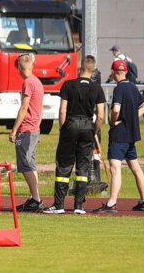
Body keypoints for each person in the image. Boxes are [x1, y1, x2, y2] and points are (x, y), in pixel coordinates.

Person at [43, 56, 105, 215]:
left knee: (64, 165)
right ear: (93, 70)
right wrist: (94, 130)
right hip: (87, 126)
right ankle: (79, 206)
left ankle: (59, 205)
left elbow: (62, 110)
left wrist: (63, 128)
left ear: (80, 68)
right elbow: (100, 116)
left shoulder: (68, 84)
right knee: (83, 166)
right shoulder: (97, 88)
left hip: (70, 124)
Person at [94, 60, 144, 213]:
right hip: (132, 135)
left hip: (119, 135)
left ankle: (112, 203)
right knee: (136, 168)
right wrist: (133, 117)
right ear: (125, 72)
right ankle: (143, 200)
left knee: (115, 168)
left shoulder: (119, 89)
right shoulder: (132, 86)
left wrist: (112, 122)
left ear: (114, 72)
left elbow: (116, 109)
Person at [9, 54, 46, 212]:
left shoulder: (28, 83)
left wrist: (14, 129)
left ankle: (36, 199)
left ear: (19, 68)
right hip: (33, 128)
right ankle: (34, 197)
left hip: (26, 130)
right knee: (30, 163)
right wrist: (38, 127)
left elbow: (24, 108)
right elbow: (40, 108)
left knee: (25, 164)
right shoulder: (37, 81)